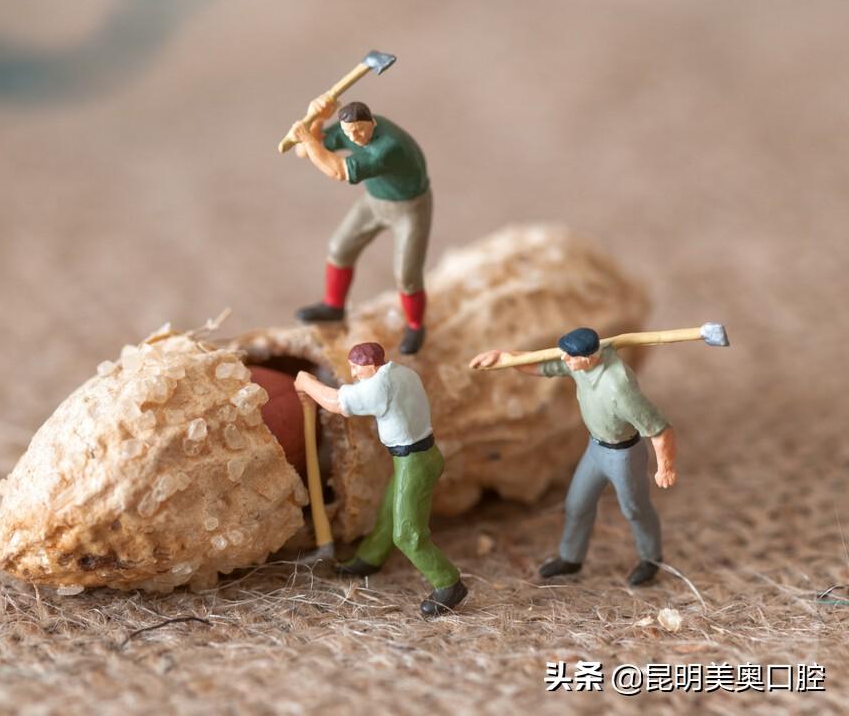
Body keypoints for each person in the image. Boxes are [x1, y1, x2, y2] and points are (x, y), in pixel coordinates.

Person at [470, 327, 678, 586]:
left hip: (624, 456)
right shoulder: (577, 364)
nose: (565, 359)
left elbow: (660, 430)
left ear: (589, 358)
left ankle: (651, 558)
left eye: (571, 356)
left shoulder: (619, 386)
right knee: (577, 504)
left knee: (635, 509)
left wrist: (665, 467)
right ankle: (571, 557)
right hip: (595, 449)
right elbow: (540, 365)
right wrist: (505, 357)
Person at [294, 341, 467, 615]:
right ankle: (370, 557)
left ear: (373, 366)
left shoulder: (379, 386)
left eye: (356, 368)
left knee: (407, 533)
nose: (353, 374)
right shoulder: (402, 372)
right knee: (389, 512)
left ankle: (448, 583)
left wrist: (306, 382)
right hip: (419, 455)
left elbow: (337, 402)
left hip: (414, 461)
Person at [288, 98, 432, 355]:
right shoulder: (350, 130)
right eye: (349, 133)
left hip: (409, 208)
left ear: (372, 123)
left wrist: (307, 139)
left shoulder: (387, 146)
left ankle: (415, 325)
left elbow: (337, 171)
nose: (355, 137)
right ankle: (334, 306)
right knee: (339, 247)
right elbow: (305, 151)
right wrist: (317, 118)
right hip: (375, 201)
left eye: (359, 131)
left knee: (407, 274)